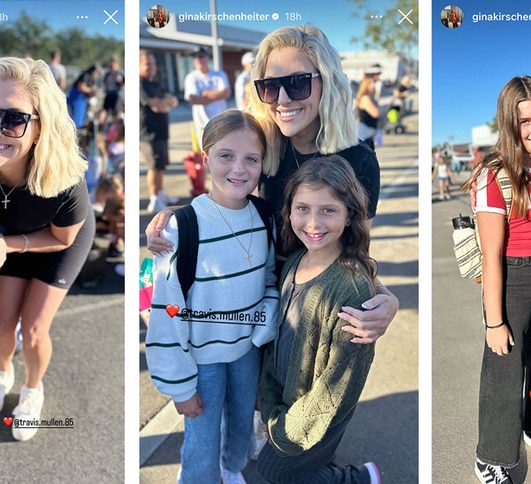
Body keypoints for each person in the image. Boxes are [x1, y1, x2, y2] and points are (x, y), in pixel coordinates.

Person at [148, 24, 398, 343]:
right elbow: (227, 202)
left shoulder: (358, 160)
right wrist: (179, 216)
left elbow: (355, 252)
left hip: (315, 307)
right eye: (269, 86)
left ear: (328, 83)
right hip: (252, 300)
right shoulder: (261, 144)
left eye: (297, 84)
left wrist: (386, 297)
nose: (281, 99)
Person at [0, 57, 95, 442]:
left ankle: (33, 388)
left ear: (40, 126)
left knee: (33, 330)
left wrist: (10, 245)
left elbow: (63, 238)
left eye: (13, 119)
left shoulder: (67, 176)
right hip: (11, 237)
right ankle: (3, 371)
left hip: (59, 240)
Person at [146, 110, 278, 484]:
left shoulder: (264, 216)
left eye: (251, 159)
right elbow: (167, 310)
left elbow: (269, 278)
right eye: (225, 156)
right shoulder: (180, 228)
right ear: (205, 158)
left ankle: (231, 469)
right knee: (201, 441)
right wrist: (179, 387)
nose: (239, 168)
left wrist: (260, 325)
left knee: (240, 427)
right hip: (200, 360)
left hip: (246, 353)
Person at [461, 76, 531, 484]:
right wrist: (494, 321)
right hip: (514, 277)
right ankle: (492, 456)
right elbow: (491, 255)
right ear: (510, 124)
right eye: (525, 121)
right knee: (504, 371)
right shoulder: (495, 172)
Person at [256, 155, 381, 483]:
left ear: (349, 214)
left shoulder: (352, 289)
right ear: (289, 209)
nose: (313, 223)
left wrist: (289, 430)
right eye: (303, 209)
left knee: (271, 472)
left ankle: (357, 478)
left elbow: (339, 382)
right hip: (286, 402)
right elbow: (278, 338)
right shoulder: (295, 260)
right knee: (291, 470)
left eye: (328, 210)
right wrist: (271, 406)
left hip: (320, 414)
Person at [140, 50, 179, 213]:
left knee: (161, 166)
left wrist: (166, 102)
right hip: (149, 134)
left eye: (153, 63)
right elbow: (157, 106)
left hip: (162, 132)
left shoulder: (156, 84)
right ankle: (154, 199)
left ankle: (160, 193)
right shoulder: (140, 84)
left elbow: (174, 101)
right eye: (147, 63)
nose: (151, 67)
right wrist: (166, 103)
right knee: (154, 167)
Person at [184, 46, 230, 151]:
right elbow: (194, 99)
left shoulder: (219, 74)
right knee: (206, 157)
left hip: (221, 123)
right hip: (202, 125)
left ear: (208, 58)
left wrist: (205, 94)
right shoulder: (191, 77)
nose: (198, 60)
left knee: (223, 154)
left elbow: (226, 93)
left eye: (201, 56)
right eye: (195, 57)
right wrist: (217, 94)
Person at [67, 64, 99, 129]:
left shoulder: (90, 78)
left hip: (82, 99)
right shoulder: (86, 76)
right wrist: (91, 90)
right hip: (77, 98)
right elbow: (81, 87)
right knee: (75, 116)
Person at [355, 75, 380, 151]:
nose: (373, 85)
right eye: (371, 83)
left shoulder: (370, 97)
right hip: (365, 131)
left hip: (370, 131)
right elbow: (376, 113)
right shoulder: (365, 98)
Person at [100, 55, 124, 126]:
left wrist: (120, 81)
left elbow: (123, 85)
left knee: (115, 113)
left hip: (117, 95)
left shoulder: (121, 73)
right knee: (104, 111)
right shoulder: (107, 74)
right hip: (109, 94)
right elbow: (105, 86)